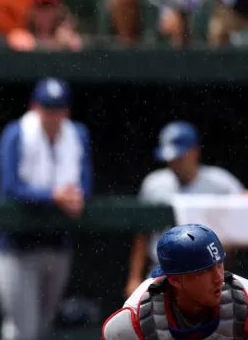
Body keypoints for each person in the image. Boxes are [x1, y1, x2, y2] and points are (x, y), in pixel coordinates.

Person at [0, 77, 93, 340]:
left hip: (57, 245)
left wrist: (74, 196)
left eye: (58, 109)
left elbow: (85, 184)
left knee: (44, 329)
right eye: (47, 108)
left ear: (67, 111)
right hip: (16, 247)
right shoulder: (17, 133)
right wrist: (53, 197)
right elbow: (10, 188)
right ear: (35, 107)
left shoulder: (77, 134)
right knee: (22, 330)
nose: (53, 115)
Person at [124, 121, 244, 299]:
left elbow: (243, 207)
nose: (174, 163)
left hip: (210, 272)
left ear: (195, 151)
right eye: (170, 158)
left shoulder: (219, 181)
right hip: (163, 271)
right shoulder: (154, 183)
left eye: (179, 156)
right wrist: (134, 277)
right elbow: (142, 235)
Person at [102, 224, 248, 339]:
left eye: (219, 265)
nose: (219, 278)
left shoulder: (244, 299)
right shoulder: (134, 319)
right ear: (175, 280)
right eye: (205, 271)